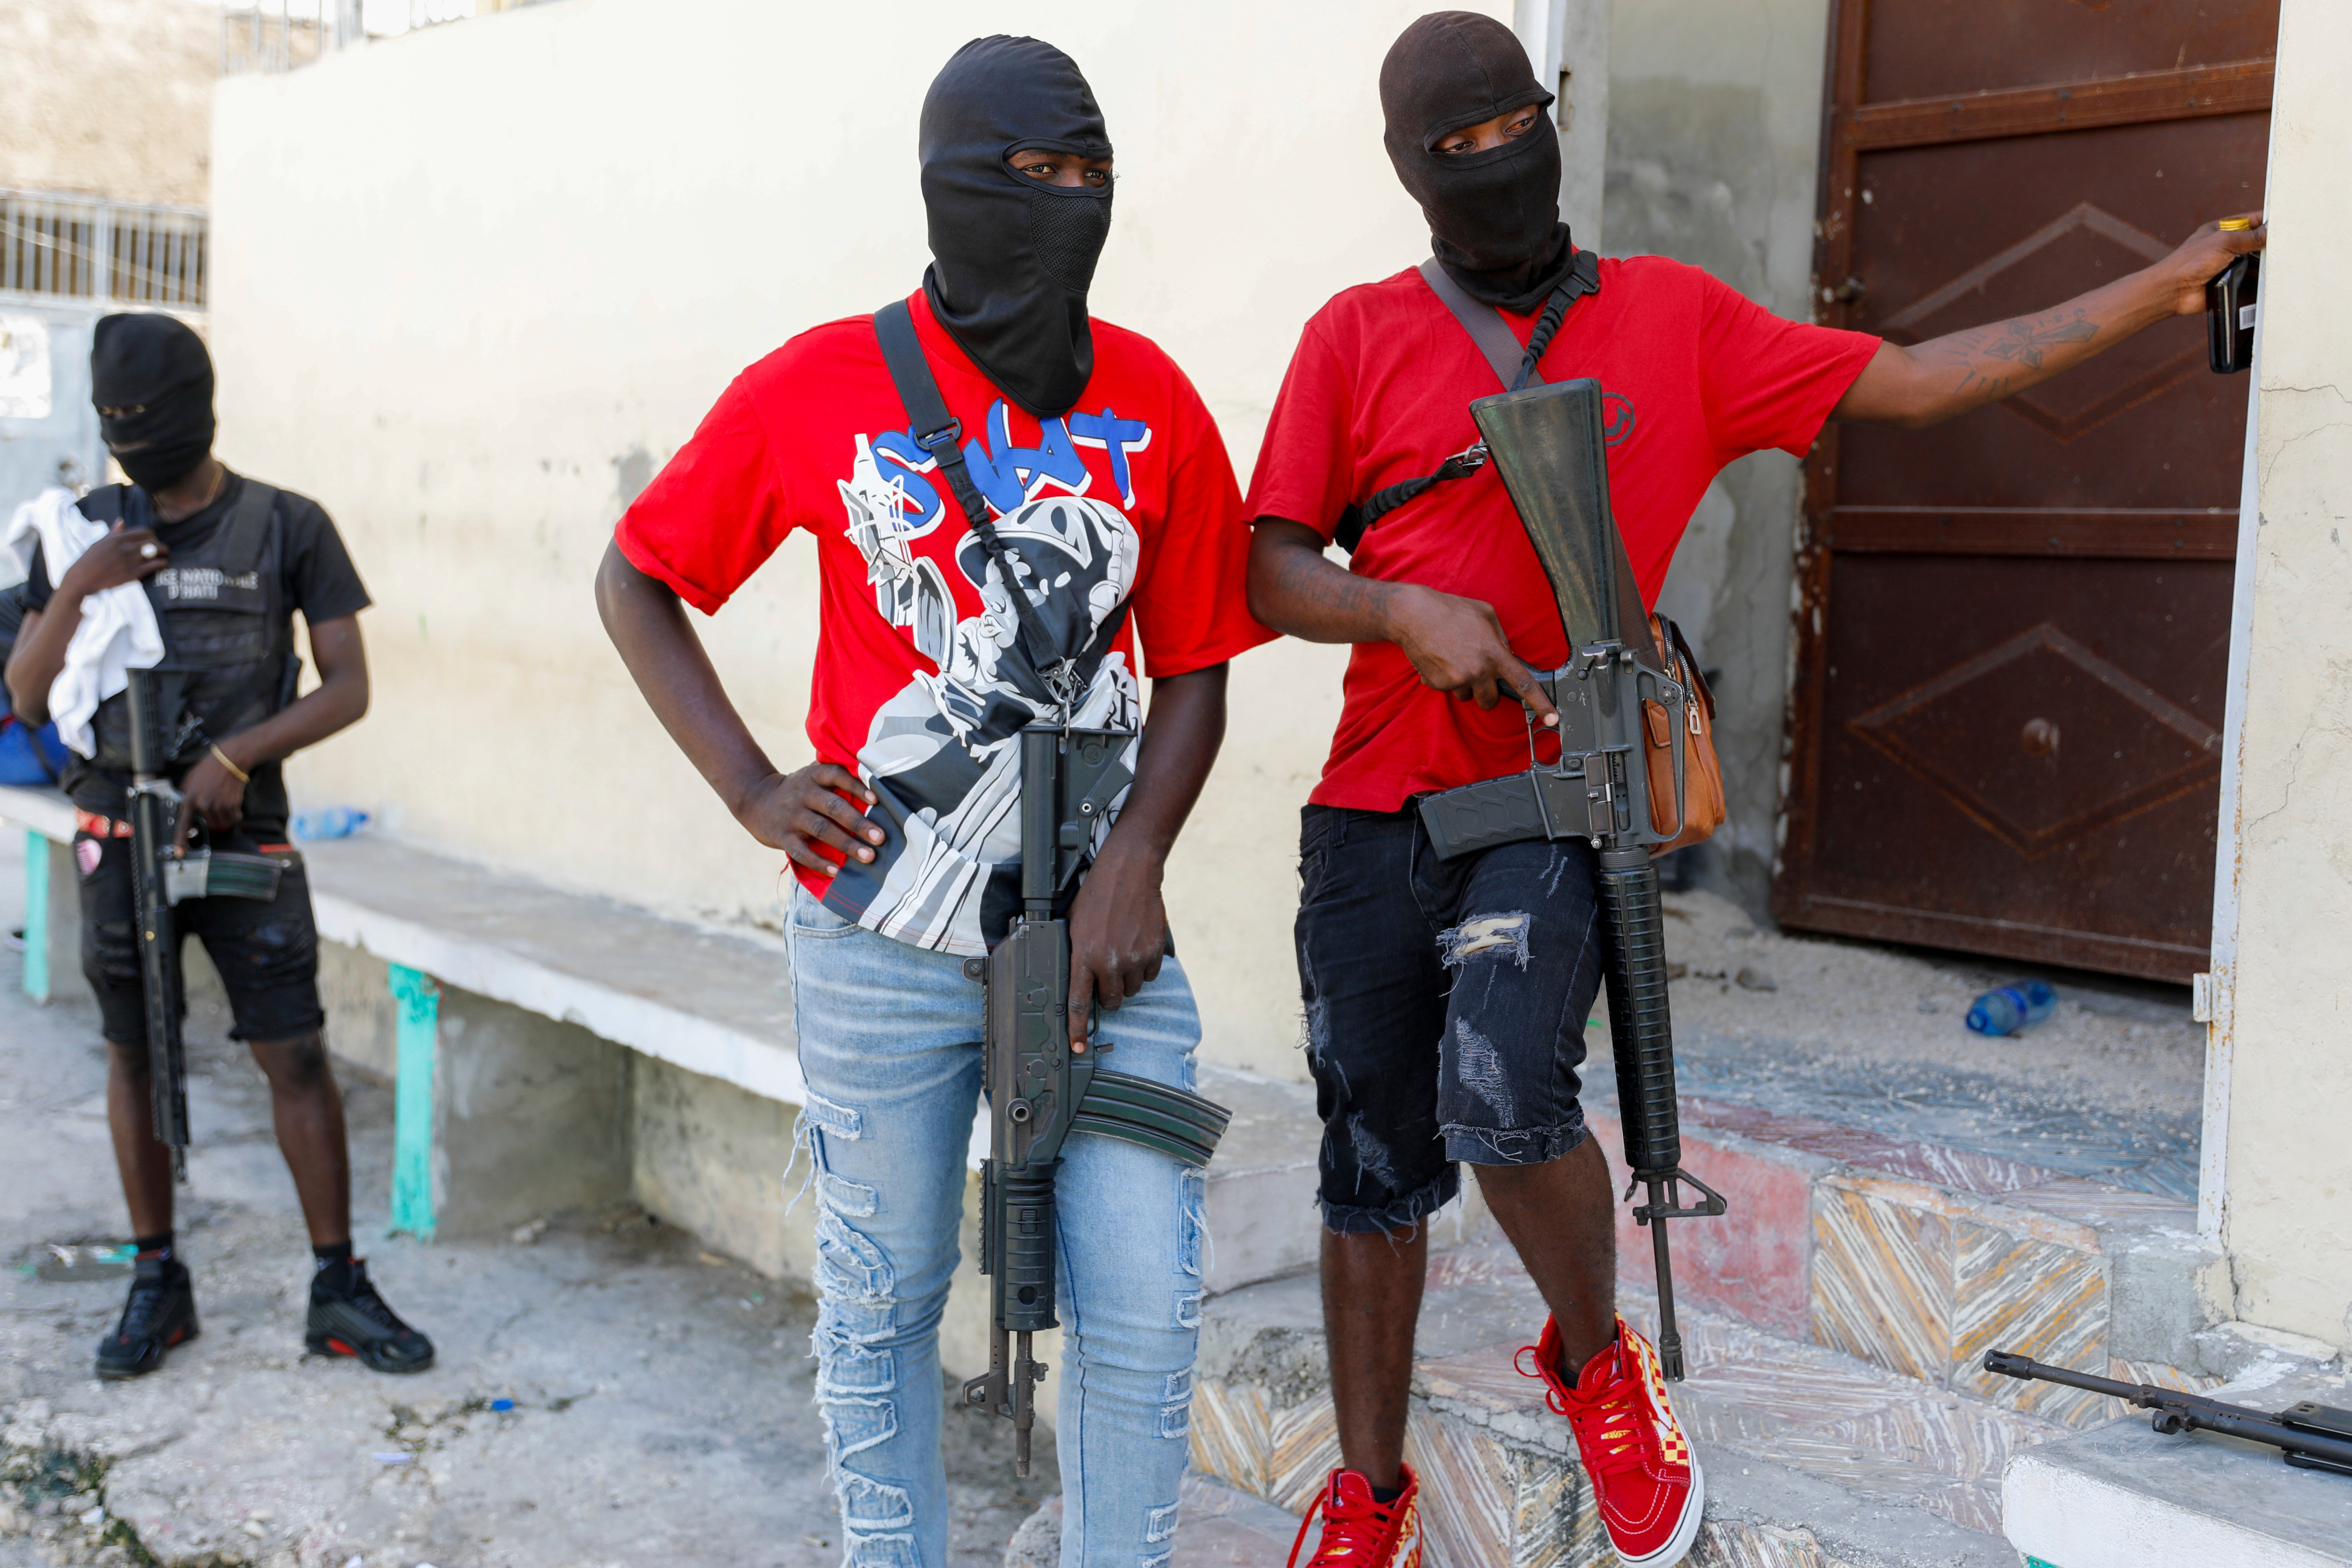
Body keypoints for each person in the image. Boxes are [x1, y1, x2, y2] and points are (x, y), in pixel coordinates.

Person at [1241, 13, 2266, 1568]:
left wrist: (2153, 284)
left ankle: (1593, 1357)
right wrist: (1398, 610)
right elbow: (1271, 565)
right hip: (1378, 804)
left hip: (1563, 786)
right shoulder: (1354, 335)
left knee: (1505, 1090)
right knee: (1371, 1159)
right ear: (1407, 171)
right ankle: (1369, 1491)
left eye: (1514, 125)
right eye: (1453, 149)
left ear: (1555, 117)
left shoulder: (1679, 321)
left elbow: (1918, 378)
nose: (1494, 165)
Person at [595, 36, 1266, 1567]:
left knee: (1146, 1300)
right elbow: (639, 575)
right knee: (887, 1292)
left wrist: (1139, 859)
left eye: (1091, 176)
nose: (1068, 204)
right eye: (1030, 176)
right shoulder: (821, 383)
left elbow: (1201, 664)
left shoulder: (1157, 397)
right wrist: (753, 785)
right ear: (952, 189)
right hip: (879, 942)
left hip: (1109, 946)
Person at [2, 313, 433, 1381]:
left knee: (292, 1052)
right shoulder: (75, 531)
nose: (134, 438)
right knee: (135, 1053)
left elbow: (349, 688)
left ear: (202, 408)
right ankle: (159, 1279)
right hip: (118, 837)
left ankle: (337, 1285)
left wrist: (236, 757)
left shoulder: (289, 526)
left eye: (151, 417)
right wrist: (79, 588)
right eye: (117, 420)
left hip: (252, 844)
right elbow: (20, 694)